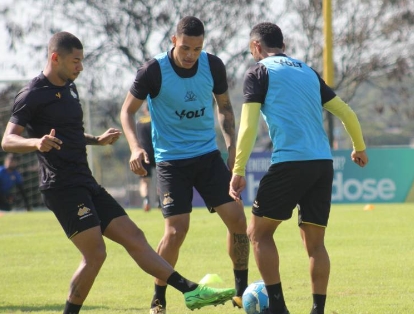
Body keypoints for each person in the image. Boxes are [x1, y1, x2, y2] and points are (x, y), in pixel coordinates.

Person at [1, 31, 235, 314]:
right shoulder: (31, 94)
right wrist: (35, 142)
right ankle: (190, 290)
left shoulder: (70, 87)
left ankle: (190, 291)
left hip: (85, 181)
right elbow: (8, 140)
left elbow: (70, 133)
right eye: (75, 61)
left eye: (82, 60)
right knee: (96, 254)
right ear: (55, 58)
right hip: (61, 186)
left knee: (134, 236)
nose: (81, 67)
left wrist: (95, 140)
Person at [229, 22, 369, 314]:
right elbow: (345, 110)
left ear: (256, 46)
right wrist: (359, 147)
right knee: (315, 243)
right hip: (322, 164)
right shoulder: (307, 71)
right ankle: (317, 310)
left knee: (258, 233)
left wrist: (238, 169)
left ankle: (277, 308)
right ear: (283, 44)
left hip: (290, 163)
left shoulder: (258, 71)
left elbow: (248, 126)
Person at [120, 16, 249, 314]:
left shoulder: (213, 66)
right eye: (186, 47)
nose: (191, 54)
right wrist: (136, 147)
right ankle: (158, 297)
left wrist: (231, 149)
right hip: (170, 161)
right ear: (174, 41)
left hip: (207, 156)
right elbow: (127, 112)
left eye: (198, 48)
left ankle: (241, 292)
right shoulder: (153, 71)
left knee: (238, 221)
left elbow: (226, 109)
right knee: (176, 231)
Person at [136, 103, 160, 211]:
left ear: (145, 111)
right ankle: (160, 201)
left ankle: (146, 200)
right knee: (161, 178)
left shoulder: (139, 122)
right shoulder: (156, 121)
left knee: (145, 180)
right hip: (157, 152)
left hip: (143, 153)